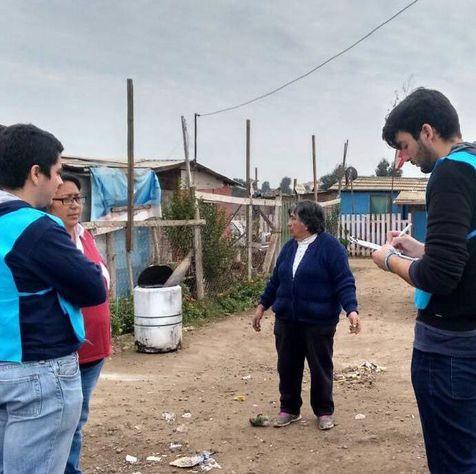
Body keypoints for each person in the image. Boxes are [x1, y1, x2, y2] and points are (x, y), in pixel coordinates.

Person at [372, 88, 476, 473]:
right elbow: (465, 255)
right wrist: (420, 247)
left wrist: (391, 260)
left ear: (427, 132)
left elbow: (442, 276)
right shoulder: (473, 164)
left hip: (452, 352)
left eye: (404, 146)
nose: (404, 159)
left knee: (454, 463)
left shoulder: (449, 173)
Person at [0, 124, 106, 473]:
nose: (60, 184)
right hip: (39, 373)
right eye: (57, 172)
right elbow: (92, 286)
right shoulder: (36, 227)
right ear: (35, 173)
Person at [252, 200, 360, 430]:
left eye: (294, 219)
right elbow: (276, 281)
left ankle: (323, 411)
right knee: (287, 366)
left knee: (320, 367)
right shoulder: (289, 247)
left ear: (308, 223)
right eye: (290, 218)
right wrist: (262, 305)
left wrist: (351, 309)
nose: (290, 223)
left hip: (318, 321)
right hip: (287, 321)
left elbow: (344, 282)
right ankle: (289, 409)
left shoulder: (331, 248)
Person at [48, 174, 112, 474]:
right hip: (67, 352)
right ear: (50, 203)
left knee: (77, 419)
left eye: (78, 198)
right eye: (66, 199)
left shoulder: (85, 236)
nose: (74, 205)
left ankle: (70, 468)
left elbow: (103, 280)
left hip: (94, 349)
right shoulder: (49, 240)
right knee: (64, 423)